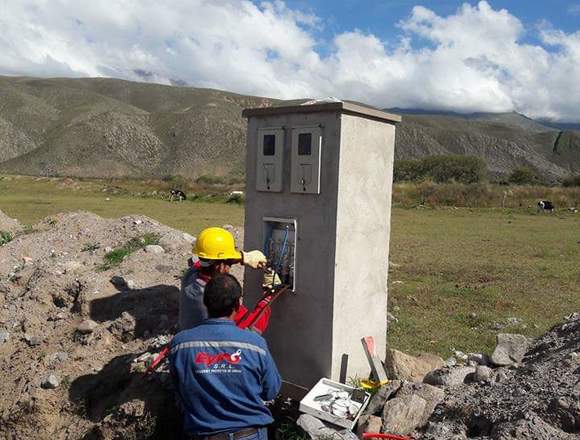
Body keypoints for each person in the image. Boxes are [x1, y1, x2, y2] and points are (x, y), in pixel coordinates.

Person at [170, 273, 281, 439]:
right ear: (237, 305)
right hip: (249, 434)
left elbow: (180, 391)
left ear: (205, 302)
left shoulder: (180, 344)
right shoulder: (255, 344)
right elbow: (271, 391)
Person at [179, 227, 268, 332]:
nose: (229, 267)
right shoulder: (220, 296)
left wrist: (242, 257)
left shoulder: (190, 276)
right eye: (229, 264)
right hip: (210, 344)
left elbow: (209, 260)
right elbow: (251, 326)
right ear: (220, 267)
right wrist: (267, 296)